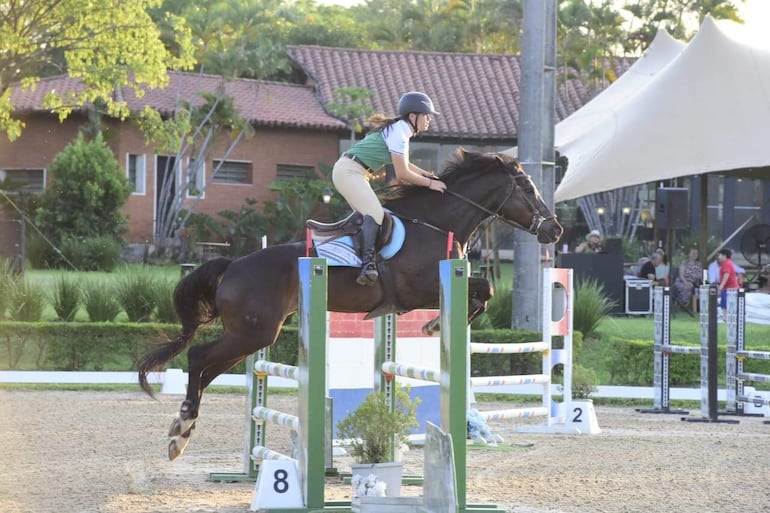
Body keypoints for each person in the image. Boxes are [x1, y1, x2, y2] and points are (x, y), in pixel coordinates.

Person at [331, 92, 446, 286]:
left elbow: (406, 164)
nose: (428, 120)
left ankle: (356, 261)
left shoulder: (401, 130)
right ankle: (367, 265)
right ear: (412, 116)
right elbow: (402, 174)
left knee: (369, 217)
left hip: (353, 172)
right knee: (375, 213)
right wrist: (430, 184)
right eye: (426, 115)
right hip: (350, 171)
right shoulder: (400, 131)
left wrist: (427, 174)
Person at [717, 248, 740, 319]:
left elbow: (726, 274)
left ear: (725, 255)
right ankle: (725, 317)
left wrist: (721, 285)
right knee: (723, 302)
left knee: (726, 303)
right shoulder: (727, 263)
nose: (718, 257)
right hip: (727, 288)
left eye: (719, 255)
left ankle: (726, 317)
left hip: (730, 288)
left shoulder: (727, 263)